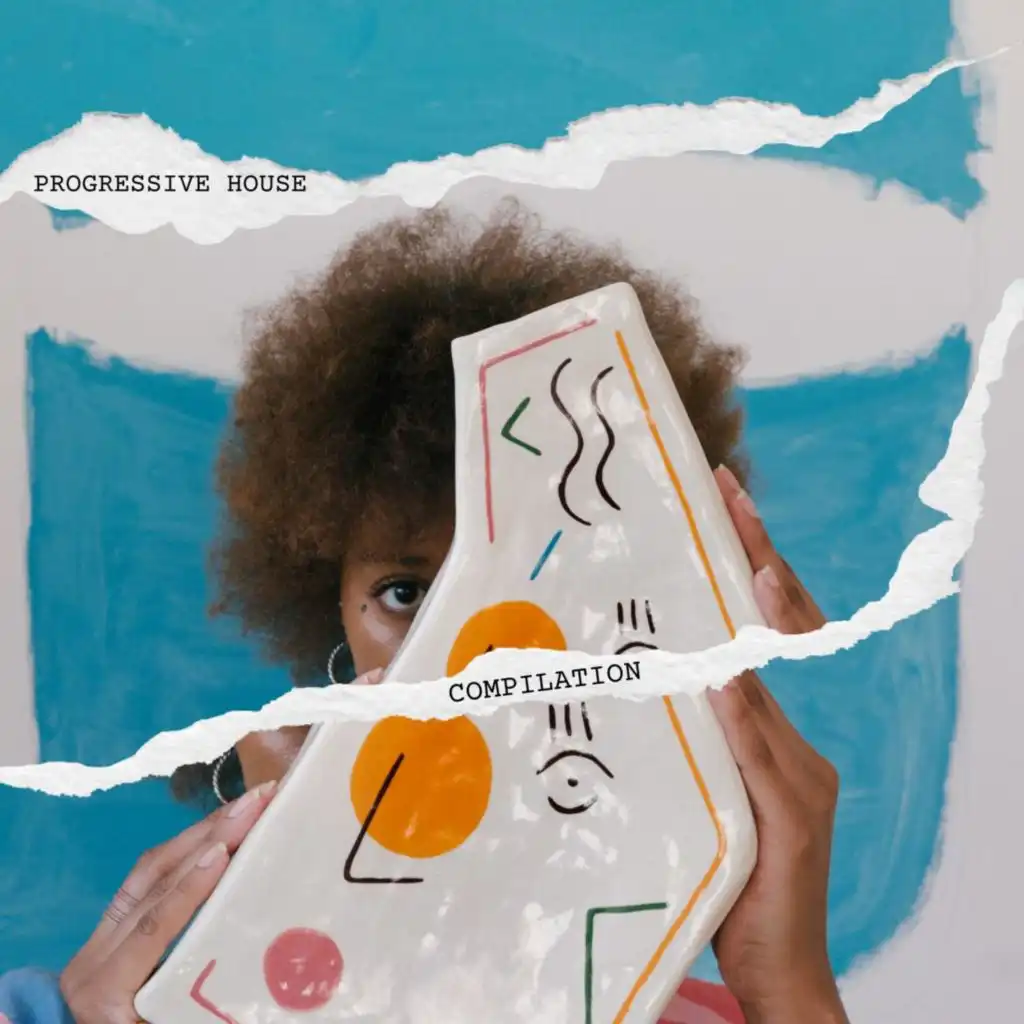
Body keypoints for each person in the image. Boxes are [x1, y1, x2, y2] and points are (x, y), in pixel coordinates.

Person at [0, 202, 850, 1024]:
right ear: (329, 611)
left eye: (546, 593)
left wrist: (789, 990)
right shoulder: (118, 1006)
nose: (476, 671)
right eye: (406, 595)